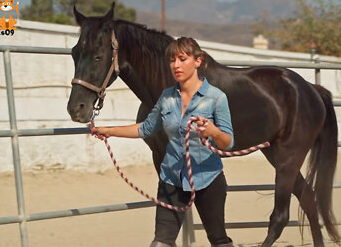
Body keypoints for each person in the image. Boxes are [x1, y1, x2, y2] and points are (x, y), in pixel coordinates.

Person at [92, 37, 235, 247]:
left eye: (182, 59)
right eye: (172, 60)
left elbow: (228, 142)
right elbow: (146, 128)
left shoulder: (216, 98)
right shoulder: (167, 97)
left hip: (207, 179)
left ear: (198, 60)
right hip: (171, 179)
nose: (176, 65)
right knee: (161, 243)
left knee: (218, 240)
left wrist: (213, 131)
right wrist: (108, 131)